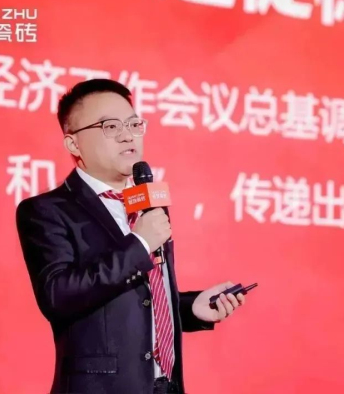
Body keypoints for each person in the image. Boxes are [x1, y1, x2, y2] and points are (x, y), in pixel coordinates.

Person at [15, 79, 246, 394]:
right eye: (110, 126)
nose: (128, 135)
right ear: (73, 144)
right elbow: (59, 296)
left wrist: (191, 308)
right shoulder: (46, 210)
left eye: (134, 124)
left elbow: (139, 300)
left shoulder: (148, 204)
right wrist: (140, 244)